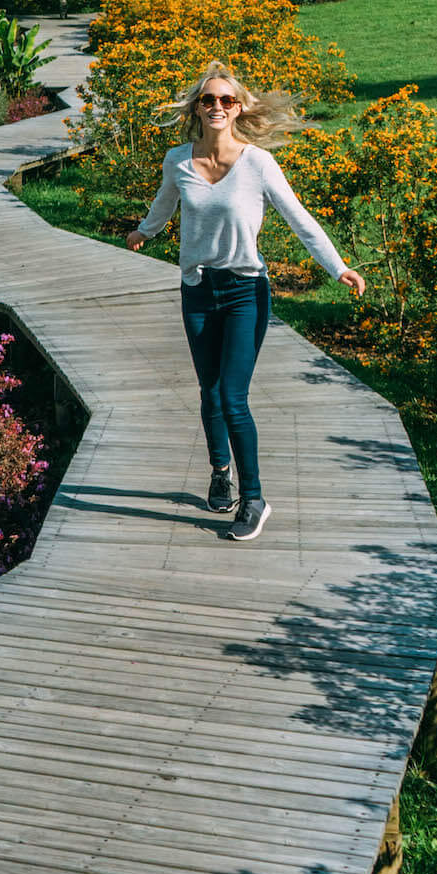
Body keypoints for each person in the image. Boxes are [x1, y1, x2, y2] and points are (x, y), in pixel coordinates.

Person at [126, 60, 365, 542]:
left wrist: (337, 266)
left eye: (226, 100)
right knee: (209, 393)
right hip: (197, 290)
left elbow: (299, 219)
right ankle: (221, 473)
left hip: (243, 292)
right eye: (209, 99)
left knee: (233, 397)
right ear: (197, 107)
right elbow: (163, 205)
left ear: (239, 109)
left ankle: (254, 498)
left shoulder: (258, 163)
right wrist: (143, 232)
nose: (217, 106)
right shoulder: (178, 160)